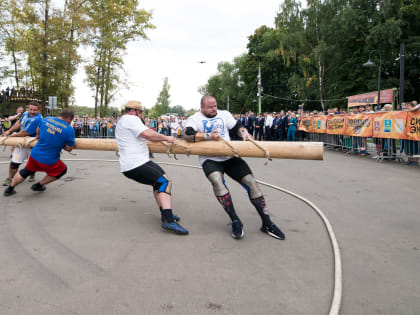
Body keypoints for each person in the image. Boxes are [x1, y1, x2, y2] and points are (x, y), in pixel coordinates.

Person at [183, 95, 285, 240]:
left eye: (215, 105)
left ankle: (267, 223)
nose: (214, 109)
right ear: (202, 107)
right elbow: (187, 134)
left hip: (230, 156)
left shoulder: (224, 114)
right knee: (217, 181)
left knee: (251, 182)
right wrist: (207, 136)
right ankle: (235, 220)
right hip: (210, 159)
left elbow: (238, 127)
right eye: (210, 107)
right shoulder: (195, 118)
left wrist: (244, 133)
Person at [115, 101, 188, 235]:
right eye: (140, 112)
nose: (141, 115)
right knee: (165, 182)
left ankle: (166, 213)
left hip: (138, 161)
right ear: (132, 111)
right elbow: (149, 135)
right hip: (135, 163)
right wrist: (167, 138)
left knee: (159, 180)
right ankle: (168, 220)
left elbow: (148, 135)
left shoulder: (123, 120)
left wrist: (160, 138)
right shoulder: (131, 119)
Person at [3, 108, 75, 196]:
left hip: (35, 154)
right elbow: (69, 148)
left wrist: (38, 136)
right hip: (49, 160)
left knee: (25, 171)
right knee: (62, 170)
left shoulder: (47, 119)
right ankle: (39, 185)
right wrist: (62, 143)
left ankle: (9, 189)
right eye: (71, 120)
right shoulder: (69, 129)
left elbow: (38, 129)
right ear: (69, 118)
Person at [2, 102, 42, 186]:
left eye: (34, 110)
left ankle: (32, 174)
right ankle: (10, 178)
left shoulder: (38, 119)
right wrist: (9, 130)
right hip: (22, 143)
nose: (32, 111)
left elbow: (25, 132)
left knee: (33, 163)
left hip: (33, 144)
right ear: (28, 108)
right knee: (14, 162)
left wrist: (13, 135)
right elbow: (19, 123)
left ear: (39, 110)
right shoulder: (25, 113)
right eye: (30, 109)